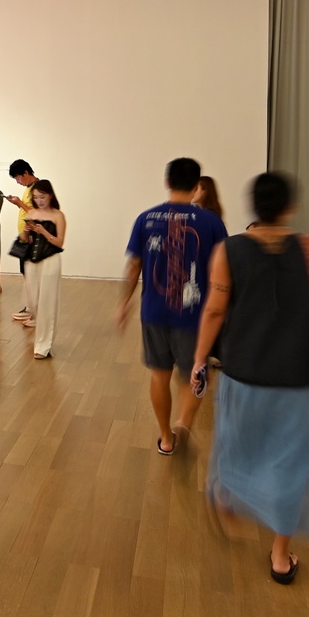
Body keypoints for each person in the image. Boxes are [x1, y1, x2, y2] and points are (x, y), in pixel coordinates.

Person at [190, 172, 309, 584]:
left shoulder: (229, 250)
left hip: (244, 372)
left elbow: (214, 309)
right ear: (290, 207)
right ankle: (280, 556)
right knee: (291, 464)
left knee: (238, 445)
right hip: (299, 378)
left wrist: (199, 359)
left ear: (253, 207)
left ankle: (225, 496)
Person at [116, 158, 229, 456]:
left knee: (159, 375)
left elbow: (134, 266)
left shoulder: (145, 218)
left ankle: (166, 438)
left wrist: (123, 304)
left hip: (153, 312)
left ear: (167, 182)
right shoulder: (211, 222)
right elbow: (222, 272)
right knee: (193, 373)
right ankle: (183, 422)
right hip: (195, 315)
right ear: (196, 186)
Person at [19, 179, 66, 359]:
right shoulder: (31, 213)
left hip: (50, 261)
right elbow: (24, 239)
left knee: (48, 303)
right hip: (32, 261)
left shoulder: (58, 216)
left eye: (42, 197)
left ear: (50, 195)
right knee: (35, 303)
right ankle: (41, 340)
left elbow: (59, 242)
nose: (39, 200)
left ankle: (43, 346)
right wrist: (26, 230)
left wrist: (43, 232)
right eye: (36, 197)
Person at [7, 159, 40, 322]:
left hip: (33, 237)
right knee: (26, 273)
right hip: (25, 236)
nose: (17, 181)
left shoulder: (39, 188)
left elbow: (38, 213)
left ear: (26, 173)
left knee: (32, 275)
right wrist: (18, 203)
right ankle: (29, 308)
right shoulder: (28, 189)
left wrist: (19, 203)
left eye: (17, 178)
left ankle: (36, 312)